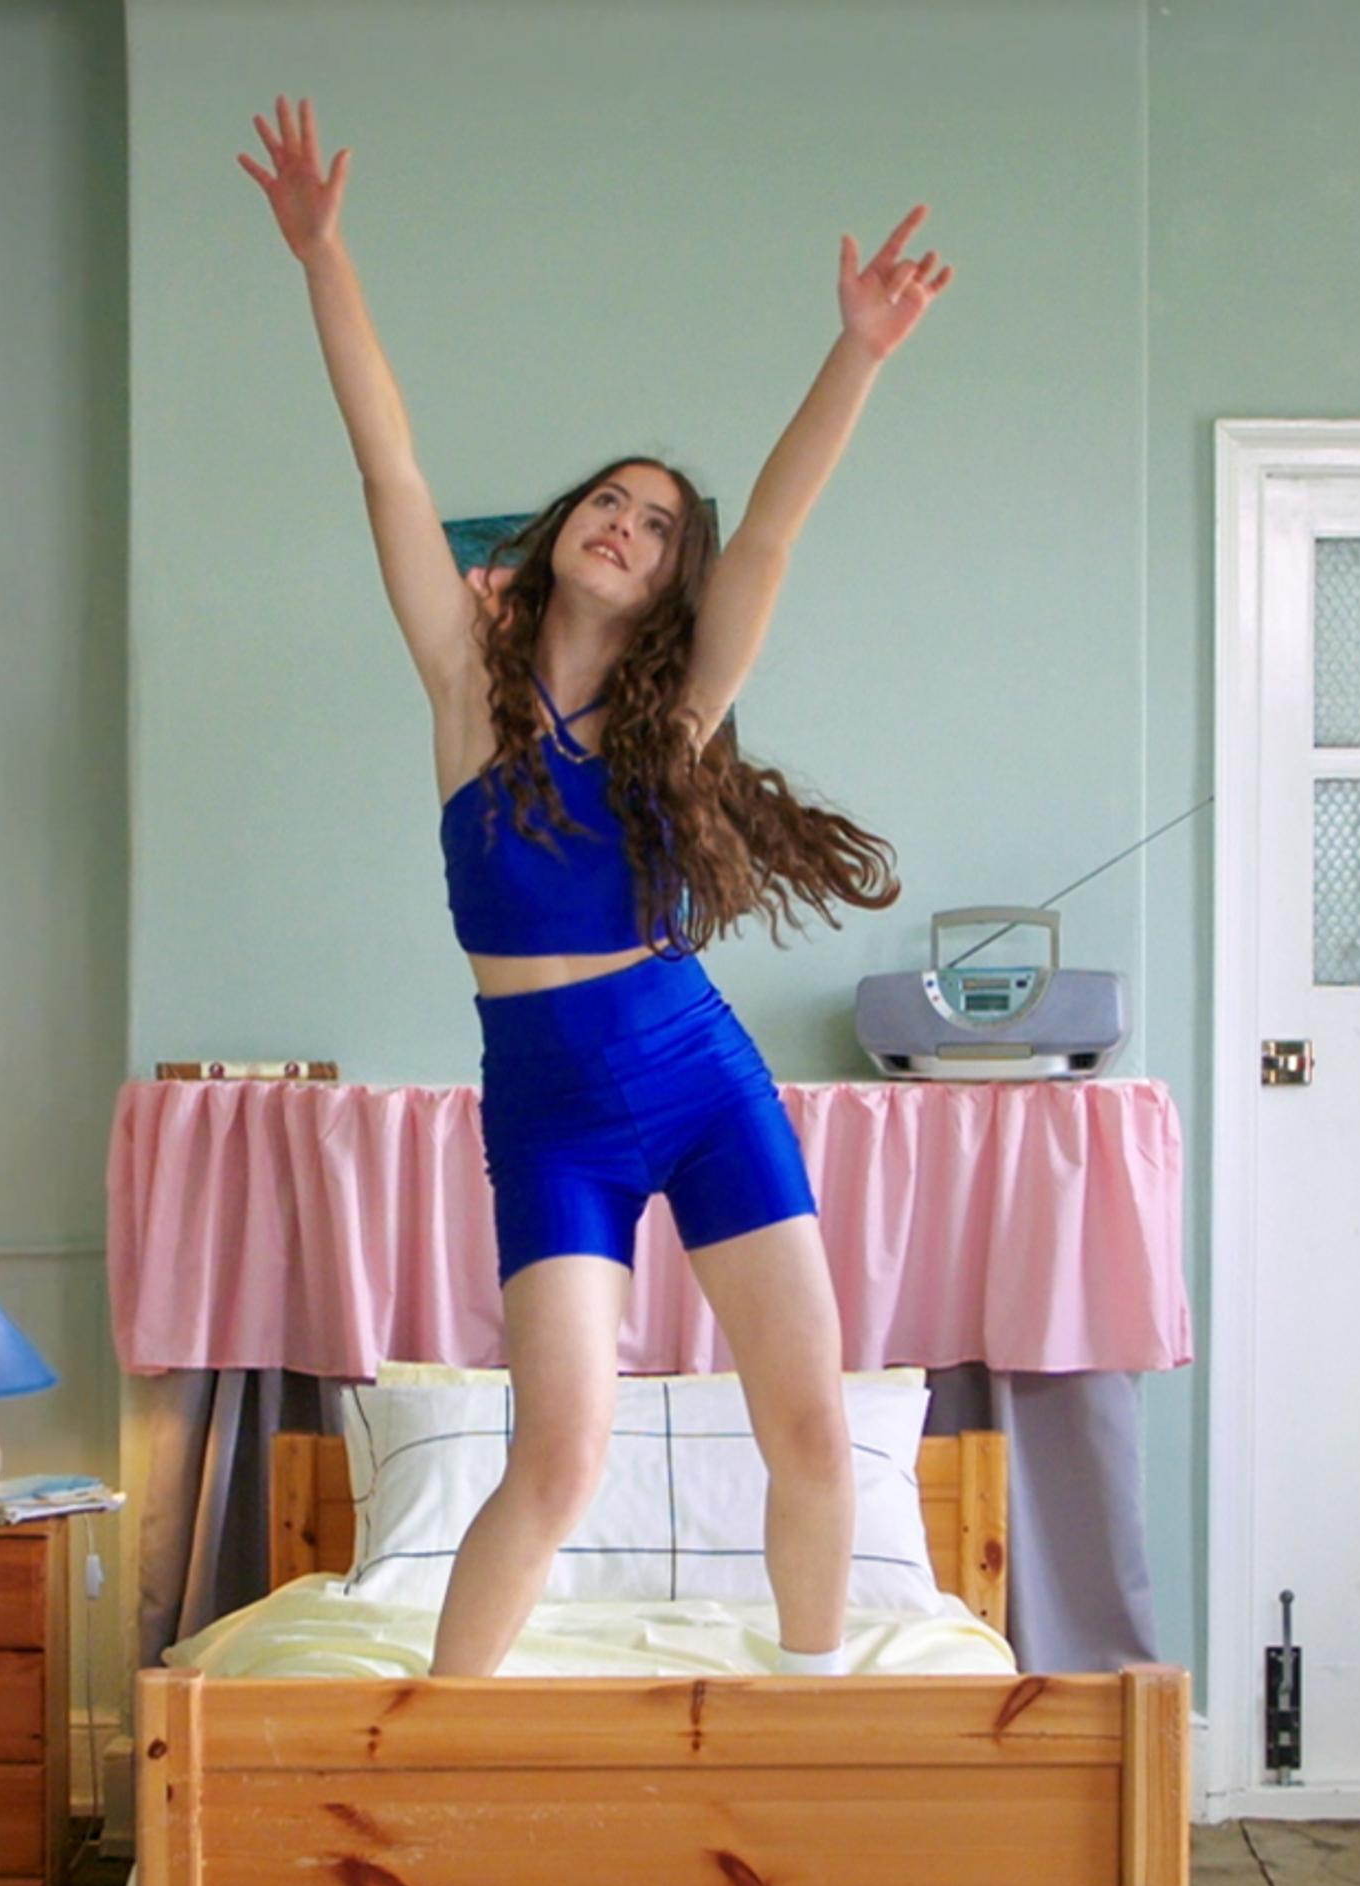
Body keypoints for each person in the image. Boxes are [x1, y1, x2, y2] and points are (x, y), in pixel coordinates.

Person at [242, 95, 945, 1677]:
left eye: (656, 524)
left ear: (665, 582)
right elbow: (389, 468)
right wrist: (321, 254)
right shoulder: (462, 693)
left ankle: (817, 1714)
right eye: (609, 504)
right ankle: (441, 1754)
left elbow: (767, 536)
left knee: (811, 1428)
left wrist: (859, 353)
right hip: (545, 1109)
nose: (628, 525)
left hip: (697, 1071)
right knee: (555, 1461)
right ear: (563, 535)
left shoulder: (673, 715)